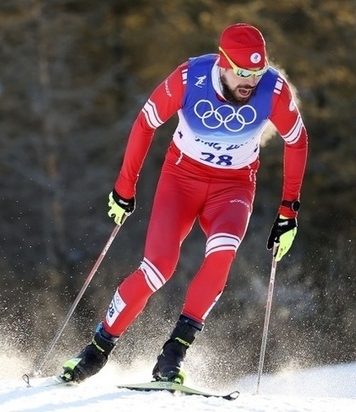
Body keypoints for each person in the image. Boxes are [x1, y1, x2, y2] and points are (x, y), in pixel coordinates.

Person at [60, 22, 308, 384]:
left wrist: (289, 212)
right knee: (157, 268)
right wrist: (123, 188)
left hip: (234, 187)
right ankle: (96, 351)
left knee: (223, 253)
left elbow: (297, 142)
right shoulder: (189, 77)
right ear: (222, 62)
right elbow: (146, 123)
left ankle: (172, 356)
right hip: (181, 181)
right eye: (241, 72)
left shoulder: (273, 89)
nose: (250, 82)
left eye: (257, 72)